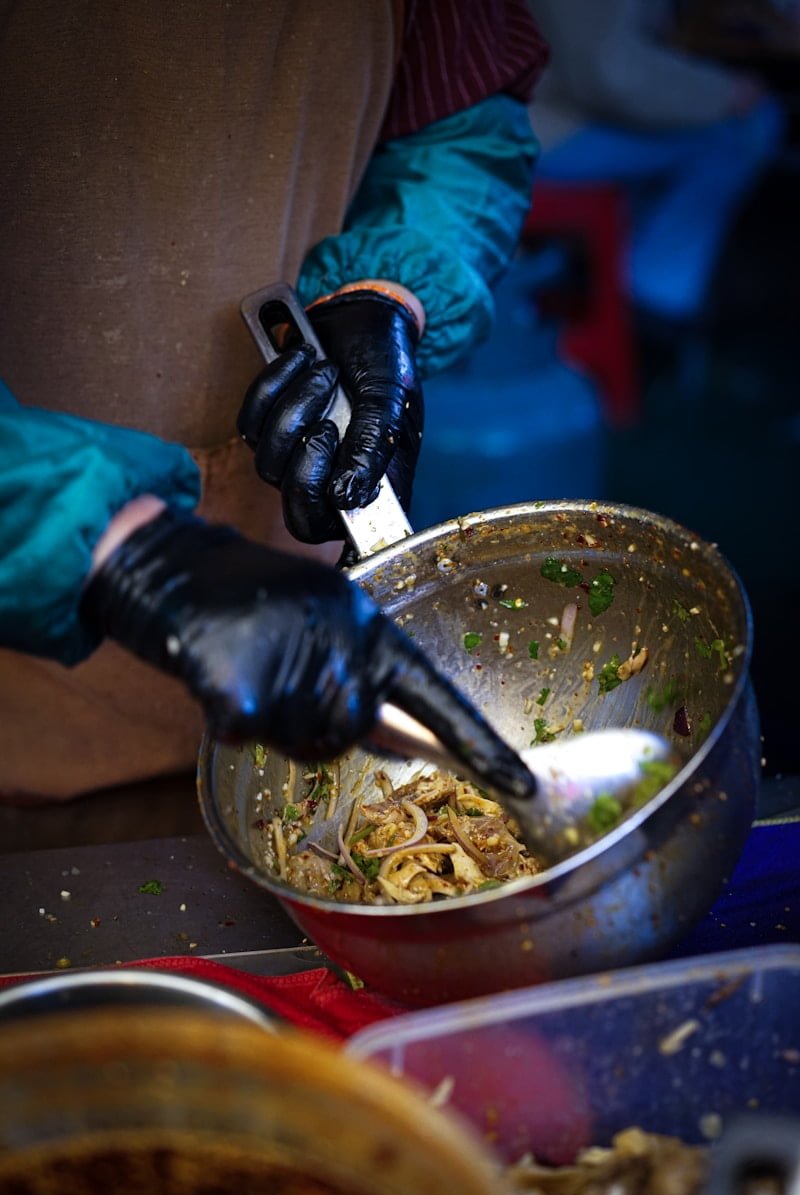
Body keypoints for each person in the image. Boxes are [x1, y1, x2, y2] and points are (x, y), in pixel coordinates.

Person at [0, 1, 549, 803]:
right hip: (28, 733)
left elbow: (463, 125)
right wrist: (115, 551)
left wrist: (387, 290)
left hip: (317, 657)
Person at [526, 0, 785, 327]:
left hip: (526, 109)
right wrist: (725, 92)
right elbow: (613, 75)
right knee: (745, 129)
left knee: (712, 121)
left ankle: (629, 278)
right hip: (533, 127)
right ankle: (652, 302)